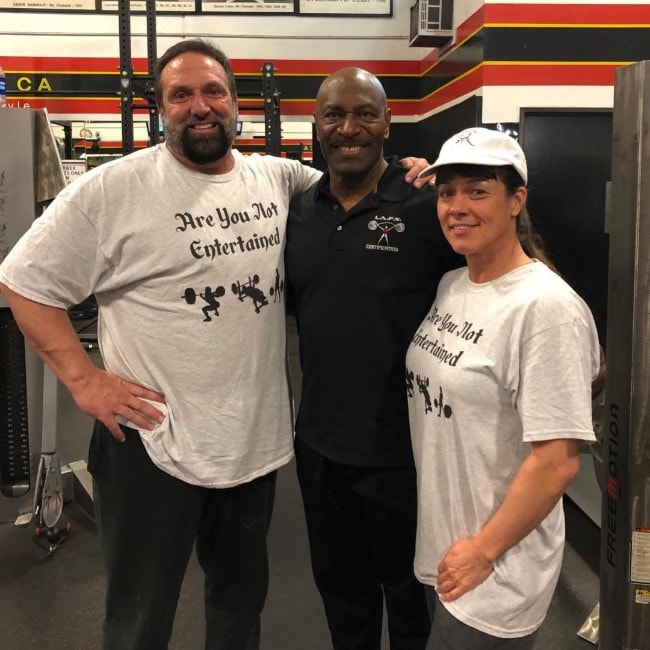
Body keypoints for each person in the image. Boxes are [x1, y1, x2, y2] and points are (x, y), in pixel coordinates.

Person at [0, 40, 430, 649]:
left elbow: (352, 186)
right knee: (140, 616)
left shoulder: (278, 178)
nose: (199, 108)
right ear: (159, 108)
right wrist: (84, 379)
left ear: (236, 104)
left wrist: (413, 173)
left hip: (249, 446)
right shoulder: (112, 189)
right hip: (151, 441)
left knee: (238, 609)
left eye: (213, 92)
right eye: (181, 95)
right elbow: (23, 281)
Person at [285, 68, 462, 649]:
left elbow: (503, 262)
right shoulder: (300, 209)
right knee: (343, 598)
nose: (349, 128)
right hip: (318, 447)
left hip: (405, 453)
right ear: (317, 126)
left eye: (364, 113)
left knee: (410, 602)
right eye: (334, 115)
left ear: (388, 123)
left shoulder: (426, 202)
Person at [406, 127, 601, 649]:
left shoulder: (545, 308)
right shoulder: (454, 284)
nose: (456, 206)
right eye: (446, 192)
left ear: (517, 200)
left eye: (477, 190)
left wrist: (483, 551)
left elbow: (557, 460)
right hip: (446, 548)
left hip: (496, 567)